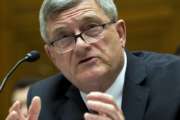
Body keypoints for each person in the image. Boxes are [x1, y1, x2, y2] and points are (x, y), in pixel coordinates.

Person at [6, 0, 180, 120]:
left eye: (92, 27)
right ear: (52, 56)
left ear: (120, 34)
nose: (80, 46)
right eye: (63, 37)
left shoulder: (174, 80)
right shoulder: (44, 98)